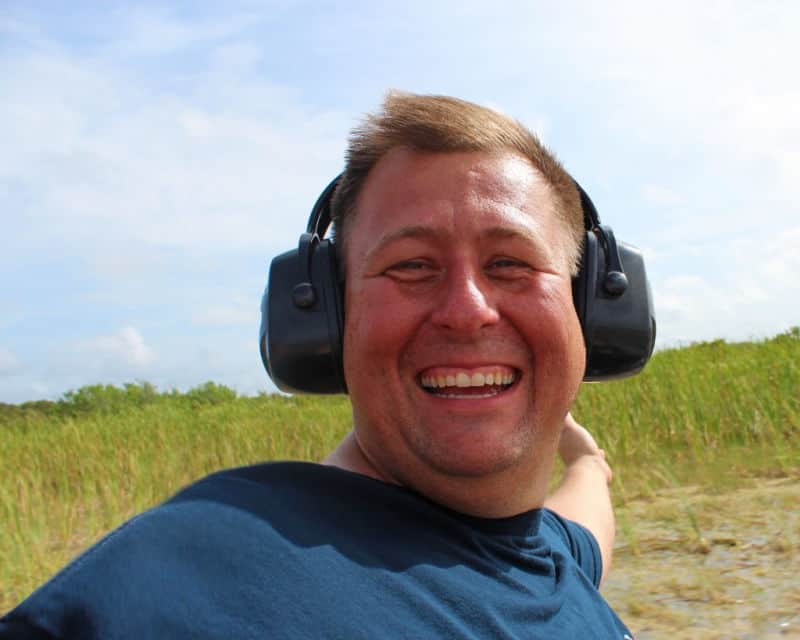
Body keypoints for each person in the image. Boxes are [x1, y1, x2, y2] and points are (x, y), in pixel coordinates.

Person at [0, 92, 633, 639]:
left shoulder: (548, 553)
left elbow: (581, 524)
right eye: (412, 265)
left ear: (591, 311)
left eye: (510, 264)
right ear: (326, 318)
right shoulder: (201, 568)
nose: (467, 311)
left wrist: (586, 461)